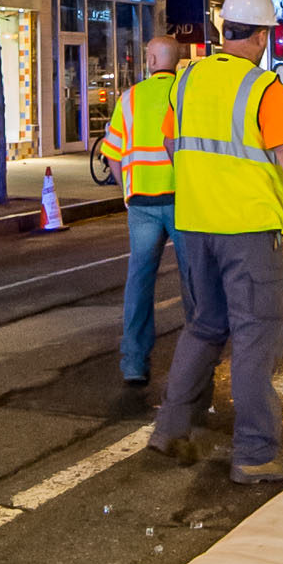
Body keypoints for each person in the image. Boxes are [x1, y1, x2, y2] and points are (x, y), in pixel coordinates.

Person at [149, 0, 283, 484]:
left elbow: (171, 141)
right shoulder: (263, 89)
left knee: (204, 328)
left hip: (193, 228)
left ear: (225, 30)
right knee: (255, 337)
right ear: (263, 37)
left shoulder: (186, 80)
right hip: (248, 232)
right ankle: (255, 453)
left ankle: (170, 429)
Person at [98, 35, 191, 388]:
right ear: (178, 62)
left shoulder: (131, 99)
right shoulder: (185, 95)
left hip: (142, 204)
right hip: (183, 201)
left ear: (152, 59)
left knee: (139, 282)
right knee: (193, 281)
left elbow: (113, 152)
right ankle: (195, 361)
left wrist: (126, 185)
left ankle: (134, 363)